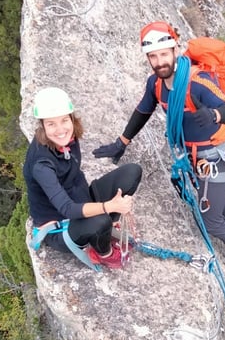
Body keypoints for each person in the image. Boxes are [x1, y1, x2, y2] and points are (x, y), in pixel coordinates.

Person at [92, 22, 225, 290]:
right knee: (217, 200)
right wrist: (121, 142)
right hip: (193, 158)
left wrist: (215, 115)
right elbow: (142, 111)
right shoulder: (156, 85)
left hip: (213, 158)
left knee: (209, 219)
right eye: (153, 56)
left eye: (164, 54)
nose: (159, 62)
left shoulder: (198, 82)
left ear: (175, 50)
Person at [24, 87, 142, 268]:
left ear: (71, 118)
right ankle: (103, 253)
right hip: (60, 226)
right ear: (42, 126)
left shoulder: (68, 140)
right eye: (51, 124)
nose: (60, 129)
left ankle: (103, 231)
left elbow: (76, 176)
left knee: (132, 172)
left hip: (81, 200)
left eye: (64, 120)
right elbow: (67, 209)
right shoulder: (41, 165)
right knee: (101, 219)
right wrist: (109, 206)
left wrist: (108, 207)